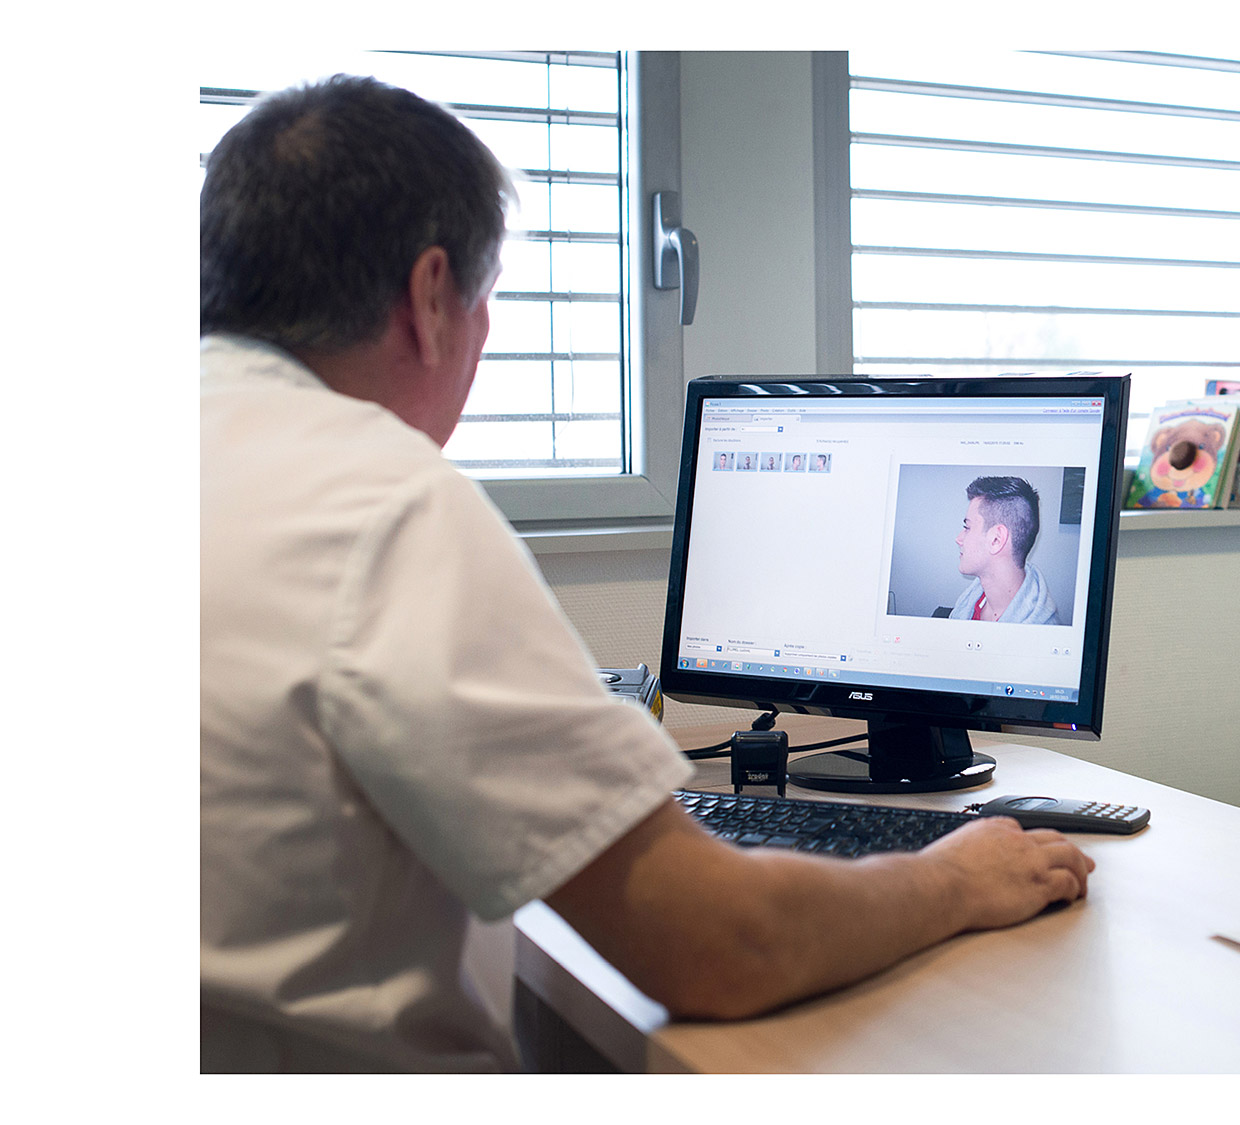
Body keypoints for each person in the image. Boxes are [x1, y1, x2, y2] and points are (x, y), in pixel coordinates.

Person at [199, 75, 1094, 1073]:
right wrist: (954, 879)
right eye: (485, 305)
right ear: (429, 298)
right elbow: (715, 943)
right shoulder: (380, 502)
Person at [948, 475, 1062, 624]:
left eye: (967, 528)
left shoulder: (1042, 634)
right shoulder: (971, 601)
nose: (959, 539)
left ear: (996, 540)